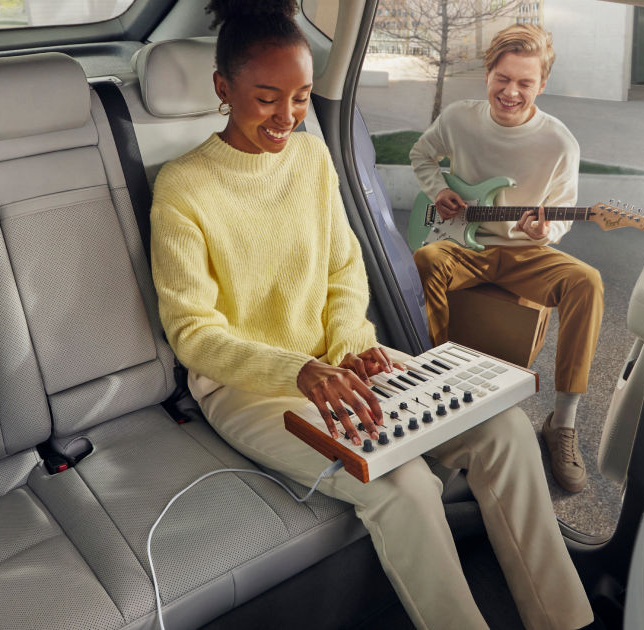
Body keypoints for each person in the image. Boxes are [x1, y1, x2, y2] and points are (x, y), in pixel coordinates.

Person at [150, 2, 594, 628]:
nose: (287, 117)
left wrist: (352, 344)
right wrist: (301, 370)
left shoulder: (310, 157)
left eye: (300, 98)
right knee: (404, 485)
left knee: (508, 429)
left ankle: (566, 621)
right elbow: (193, 333)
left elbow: (343, 268)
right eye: (267, 99)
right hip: (250, 389)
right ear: (223, 88)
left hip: (343, 362)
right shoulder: (184, 187)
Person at [410, 24, 603, 494]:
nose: (511, 92)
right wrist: (439, 191)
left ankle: (562, 422)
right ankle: (439, 383)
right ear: (487, 75)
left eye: (524, 82)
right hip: (462, 245)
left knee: (587, 281)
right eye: (503, 78)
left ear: (542, 84)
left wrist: (545, 230)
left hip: (525, 253)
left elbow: (562, 212)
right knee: (426, 259)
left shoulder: (560, 143)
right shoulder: (459, 119)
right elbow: (421, 155)